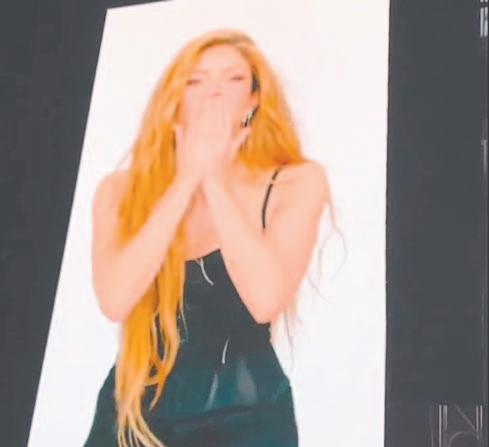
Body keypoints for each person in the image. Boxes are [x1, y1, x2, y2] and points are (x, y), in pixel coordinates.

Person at [84, 28, 331, 447]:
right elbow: (115, 299)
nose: (214, 91)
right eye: (196, 80)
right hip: (133, 415)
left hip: (248, 419)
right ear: (175, 97)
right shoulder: (121, 190)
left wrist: (215, 180)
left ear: (254, 99)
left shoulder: (294, 182)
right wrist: (186, 181)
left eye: (233, 78)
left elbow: (265, 300)